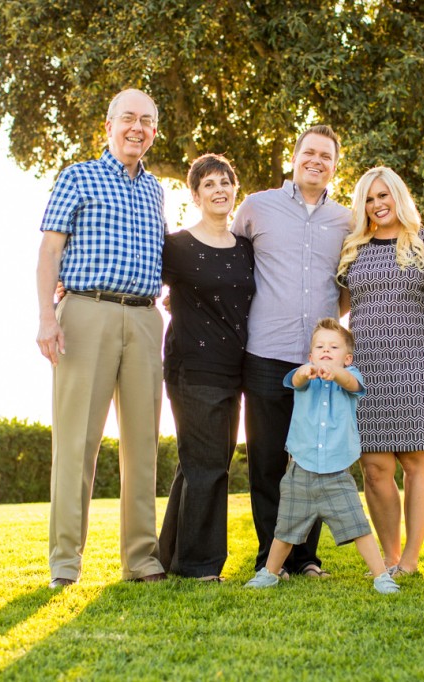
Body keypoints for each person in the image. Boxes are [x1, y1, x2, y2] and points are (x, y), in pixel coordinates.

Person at [36, 89, 167, 588]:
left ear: (154, 131)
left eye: (147, 121)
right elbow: (49, 252)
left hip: (143, 318)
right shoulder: (77, 176)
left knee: (143, 445)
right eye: (129, 119)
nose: (138, 128)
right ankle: (65, 565)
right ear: (109, 125)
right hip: (85, 313)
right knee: (77, 443)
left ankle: (142, 560)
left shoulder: (155, 189)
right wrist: (47, 318)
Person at [231, 125, 352, 578]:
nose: (317, 161)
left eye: (327, 156)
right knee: (265, 463)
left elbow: (346, 286)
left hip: (318, 361)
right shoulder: (256, 207)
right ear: (295, 156)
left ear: (335, 167)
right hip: (264, 353)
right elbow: (230, 261)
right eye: (310, 153)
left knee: (312, 460)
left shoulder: (345, 220)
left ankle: (305, 558)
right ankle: (269, 557)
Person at [336, 166, 424, 576]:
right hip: (366, 364)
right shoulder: (353, 247)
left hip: (416, 360)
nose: (377, 204)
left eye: (383, 196)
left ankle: (411, 559)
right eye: (369, 198)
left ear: (398, 197)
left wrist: (410, 330)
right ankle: (388, 556)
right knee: (374, 466)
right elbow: (342, 307)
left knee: (416, 461)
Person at [244, 319, 399, 594]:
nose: (325, 350)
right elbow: (295, 379)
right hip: (301, 469)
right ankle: (269, 573)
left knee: (358, 526)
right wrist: (307, 371)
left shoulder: (352, 376)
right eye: (319, 346)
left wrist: (335, 373)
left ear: (347, 357)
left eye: (334, 347)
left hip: (337, 472)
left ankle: (381, 576)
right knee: (285, 528)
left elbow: (351, 382)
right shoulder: (304, 378)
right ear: (310, 355)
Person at [156, 154, 254, 582]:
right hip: (191, 367)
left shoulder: (246, 248)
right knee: (208, 463)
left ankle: (170, 555)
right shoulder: (176, 246)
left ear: (235, 190)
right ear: (195, 195)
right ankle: (200, 566)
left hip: (235, 367)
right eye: (209, 184)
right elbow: (144, 280)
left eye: (225, 182)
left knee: (201, 461)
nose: (219, 190)